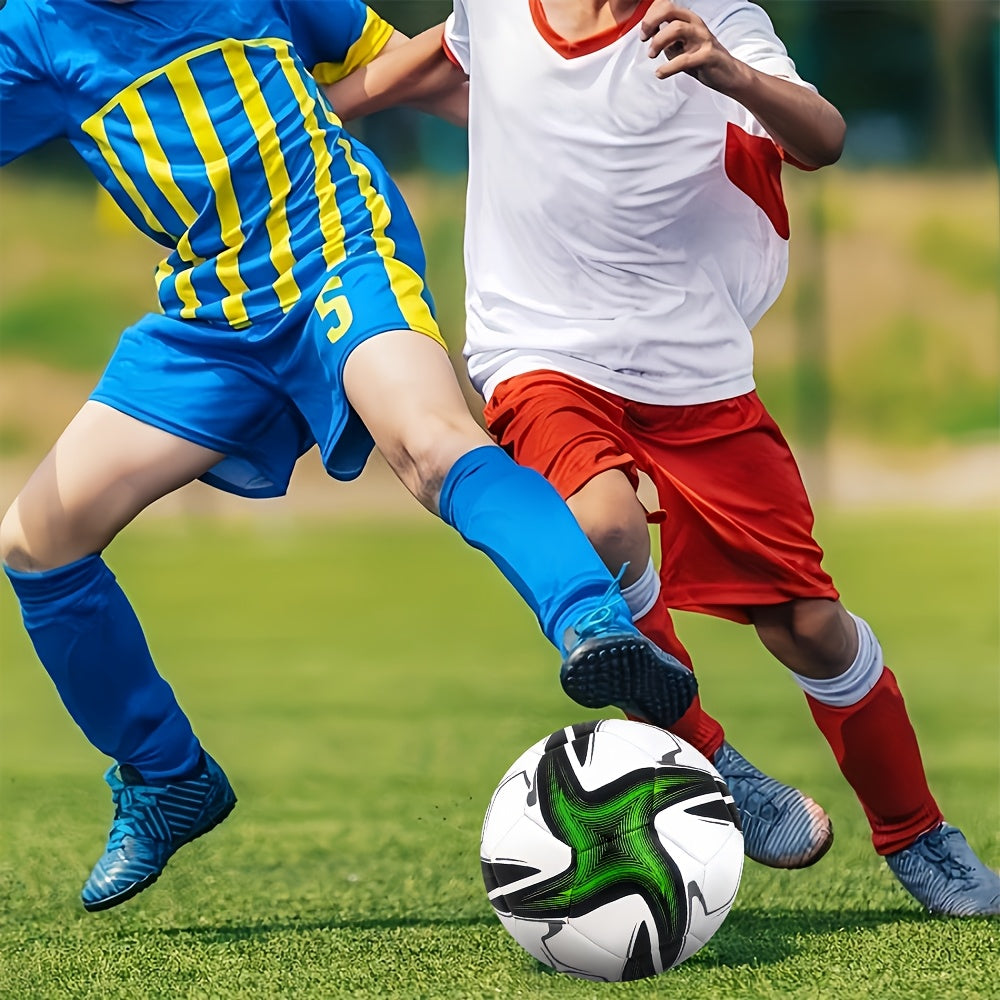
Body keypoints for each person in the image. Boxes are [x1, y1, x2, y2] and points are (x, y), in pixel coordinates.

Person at [0, 0, 699, 913]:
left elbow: (424, 67)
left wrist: (580, 152)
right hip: (212, 316)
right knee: (36, 542)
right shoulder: (33, 32)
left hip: (339, 252)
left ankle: (592, 623)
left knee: (432, 443)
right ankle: (166, 776)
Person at [324, 0, 1000, 917]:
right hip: (541, 352)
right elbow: (437, 56)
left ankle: (917, 835)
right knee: (600, 530)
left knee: (808, 625)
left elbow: (824, 137)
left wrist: (730, 71)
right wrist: (305, 114)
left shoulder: (716, 16)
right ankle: (715, 759)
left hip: (696, 368)